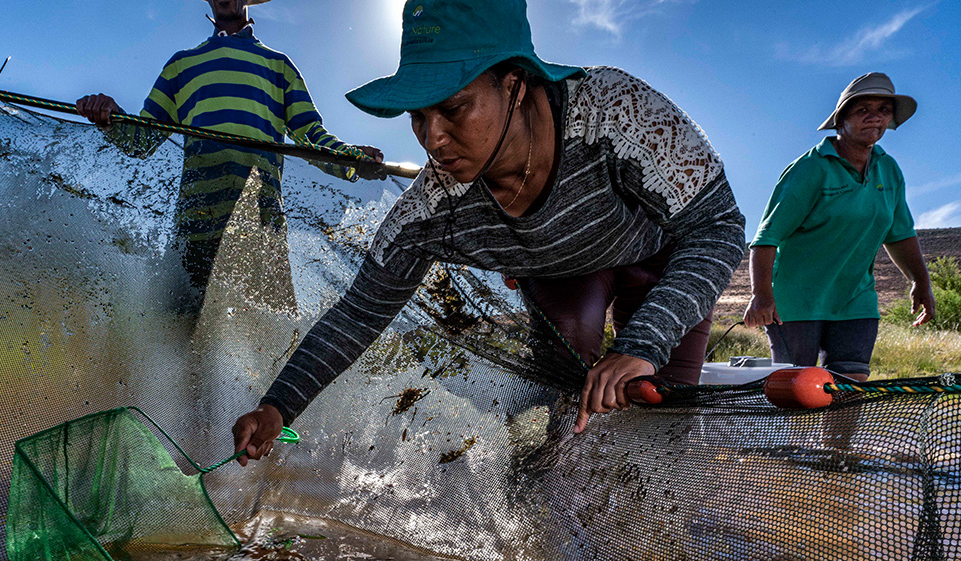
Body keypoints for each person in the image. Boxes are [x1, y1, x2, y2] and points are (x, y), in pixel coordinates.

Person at [232, 0, 746, 464]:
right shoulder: (433, 208)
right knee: (568, 407)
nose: (433, 138)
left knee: (663, 420)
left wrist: (642, 344)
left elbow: (720, 225)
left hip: (665, 256)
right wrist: (278, 407)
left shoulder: (616, 112)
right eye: (418, 116)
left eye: (454, 109)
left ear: (515, 86)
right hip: (559, 274)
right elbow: (358, 314)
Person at [76, 0, 383, 314]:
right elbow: (140, 140)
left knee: (269, 350)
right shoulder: (181, 65)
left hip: (262, 233)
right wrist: (110, 115)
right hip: (194, 231)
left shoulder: (280, 66)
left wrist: (352, 158)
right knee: (176, 340)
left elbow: (310, 136)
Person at [744, 72, 935, 381]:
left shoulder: (889, 169)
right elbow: (766, 239)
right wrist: (762, 295)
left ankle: (838, 434)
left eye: (883, 110)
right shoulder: (810, 169)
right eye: (863, 110)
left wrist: (920, 282)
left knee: (849, 390)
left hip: (855, 301)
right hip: (796, 303)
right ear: (841, 119)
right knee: (796, 390)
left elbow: (900, 234)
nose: (874, 118)